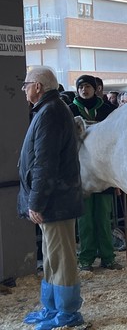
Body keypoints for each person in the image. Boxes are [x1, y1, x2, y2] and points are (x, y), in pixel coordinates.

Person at [18, 65, 84, 329]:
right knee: (51, 255)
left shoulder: (50, 112)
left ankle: (68, 313)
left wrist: (36, 201)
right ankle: (52, 307)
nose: (23, 89)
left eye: (25, 84)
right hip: (54, 200)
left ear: (37, 86)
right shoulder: (48, 110)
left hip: (56, 200)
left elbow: (45, 163)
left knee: (62, 257)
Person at [68, 75, 122, 271]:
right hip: (81, 172)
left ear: (96, 88)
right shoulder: (70, 110)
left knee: (104, 217)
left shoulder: (108, 110)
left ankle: (108, 257)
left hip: (104, 170)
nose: (84, 90)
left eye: (88, 86)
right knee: (85, 220)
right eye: (81, 87)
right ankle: (86, 258)